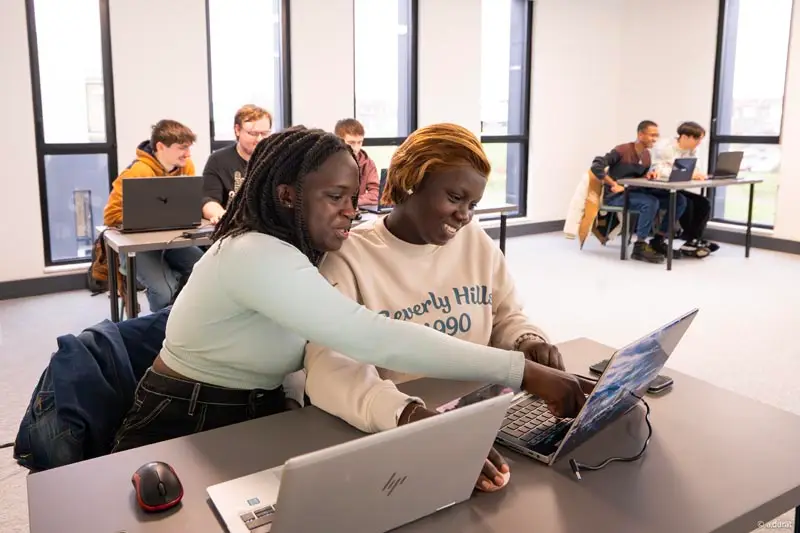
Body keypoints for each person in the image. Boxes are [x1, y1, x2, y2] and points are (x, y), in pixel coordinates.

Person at [110, 127, 593, 488]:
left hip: (260, 405)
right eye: (335, 197)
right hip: (188, 415)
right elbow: (372, 336)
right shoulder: (256, 254)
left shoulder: (302, 250)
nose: (351, 209)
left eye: (352, 195)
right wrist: (522, 372)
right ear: (285, 196)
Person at [305, 123, 570, 492]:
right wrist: (413, 417)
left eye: (472, 205)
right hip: (396, 429)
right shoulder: (349, 257)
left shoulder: (473, 240)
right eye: (455, 197)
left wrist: (526, 341)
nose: (464, 215)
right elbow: (329, 370)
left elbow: (506, 315)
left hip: (479, 417)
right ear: (412, 181)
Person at [103, 120, 204, 312]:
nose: (188, 154)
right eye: (182, 148)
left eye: (189, 148)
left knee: (204, 271)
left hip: (172, 240)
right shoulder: (138, 171)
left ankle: (187, 319)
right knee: (163, 291)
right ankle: (160, 331)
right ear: (160, 147)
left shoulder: (186, 167)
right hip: (138, 246)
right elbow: (111, 215)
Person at [591, 120, 687, 263]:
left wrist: (648, 175)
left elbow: (638, 177)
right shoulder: (622, 150)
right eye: (651, 135)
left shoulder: (647, 155)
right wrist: (613, 184)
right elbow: (596, 165)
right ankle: (640, 246)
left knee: (679, 200)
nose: (655, 139)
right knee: (650, 202)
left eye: (657, 135)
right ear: (640, 134)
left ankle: (659, 239)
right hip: (616, 196)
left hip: (636, 192)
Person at [651, 121, 718, 257]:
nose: (699, 142)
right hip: (659, 187)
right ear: (685, 137)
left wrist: (695, 173)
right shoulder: (664, 147)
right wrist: (689, 173)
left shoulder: (692, 150)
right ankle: (685, 240)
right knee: (686, 203)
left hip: (677, 186)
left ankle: (692, 240)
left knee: (704, 203)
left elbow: (696, 169)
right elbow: (659, 169)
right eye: (697, 138)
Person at [202, 105, 273, 224]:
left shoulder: (276, 159)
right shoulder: (218, 160)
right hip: (233, 228)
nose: (260, 139)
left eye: (265, 134)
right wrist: (220, 214)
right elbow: (208, 199)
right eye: (253, 133)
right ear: (237, 130)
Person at [334, 118, 379, 206]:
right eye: (351, 143)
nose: (356, 148)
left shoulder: (367, 163)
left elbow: (376, 193)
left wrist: (353, 202)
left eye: (360, 142)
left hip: (357, 212)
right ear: (339, 141)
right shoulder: (327, 163)